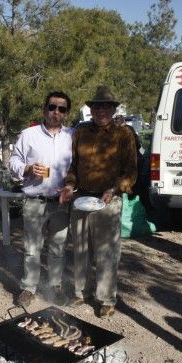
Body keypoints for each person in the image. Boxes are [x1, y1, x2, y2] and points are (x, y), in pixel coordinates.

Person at [59, 86, 137, 318]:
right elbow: (73, 166)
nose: (101, 110)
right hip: (81, 198)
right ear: (91, 109)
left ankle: (105, 298)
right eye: (97, 106)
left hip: (108, 200)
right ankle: (81, 292)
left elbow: (131, 171)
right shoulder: (80, 133)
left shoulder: (124, 134)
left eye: (106, 106)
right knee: (80, 250)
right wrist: (70, 185)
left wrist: (113, 189)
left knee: (106, 252)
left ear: (113, 109)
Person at [9, 91, 73, 307]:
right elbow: (13, 162)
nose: (56, 112)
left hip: (60, 202)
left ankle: (55, 286)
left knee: (57, 248)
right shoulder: (29, 135)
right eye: (52, 107)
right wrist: (27, 168)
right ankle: (29, 287)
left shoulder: (72, 136)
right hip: (35, 201)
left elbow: (78, 167)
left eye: (61, 109)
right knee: (32, 248)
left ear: (66, 113)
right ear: (45, 109)